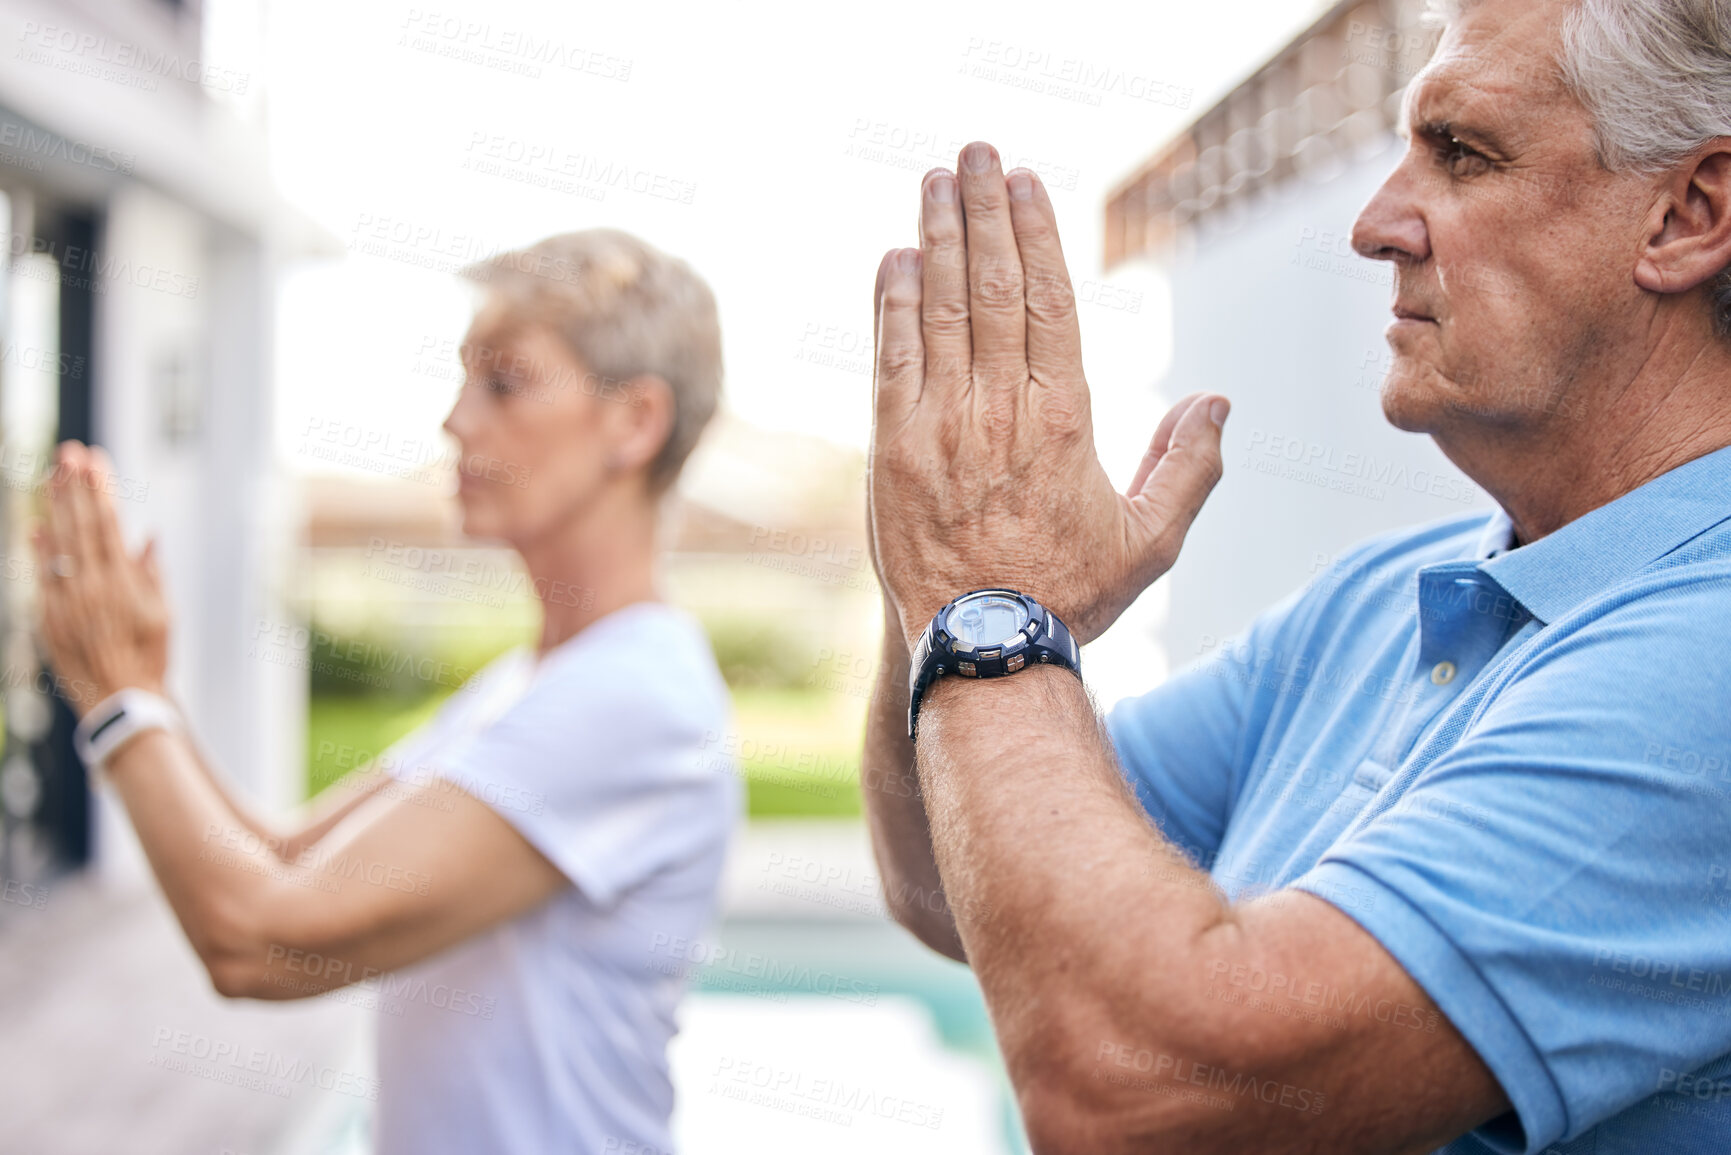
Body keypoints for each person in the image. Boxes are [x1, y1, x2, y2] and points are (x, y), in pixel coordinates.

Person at [861, 0, 1731, 1151]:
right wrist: (932, 582)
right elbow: (948, 891)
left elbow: (1145, 1088)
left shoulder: (1705, 660)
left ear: (1687, 214)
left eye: (1462, 153)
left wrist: (985, 606)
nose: (1375, 225)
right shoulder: (1379, 599)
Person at [31, 228, 738, 1154]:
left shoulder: (629, 697)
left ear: (633, 421)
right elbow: (279, 858)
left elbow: (259, 939)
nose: (455, 421)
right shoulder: (532, 682)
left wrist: (120, 702)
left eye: (504, 382)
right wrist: (145, 688)